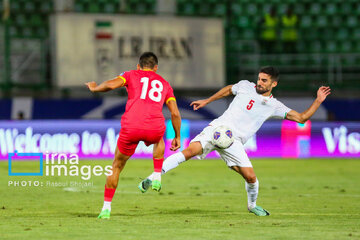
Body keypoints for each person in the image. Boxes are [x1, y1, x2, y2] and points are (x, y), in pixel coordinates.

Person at [140, 66, 331, 216]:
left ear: (273, 84)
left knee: (251, 178)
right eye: (259, 79)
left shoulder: (274, 106)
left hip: (235, 142)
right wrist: (207, 101)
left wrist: (318, 101)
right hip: (217, 129)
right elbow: (227, 90)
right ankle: (152, 176)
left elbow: (302, 118)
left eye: (264, 81)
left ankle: (252, 206)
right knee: (190, 151)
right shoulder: (245, 86)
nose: (259, 82)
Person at [86, 52, 182, 219]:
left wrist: (95, 88)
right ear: (156, 68)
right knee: (159, 137)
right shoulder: (165, 84)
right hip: (154, 126)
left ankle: (106, 209)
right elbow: (174, 113)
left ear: (139, 65)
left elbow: (110, 85)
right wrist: (177, 136)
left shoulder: (130, 74)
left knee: (116, 165)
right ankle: (157, 174)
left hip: (131, 126)